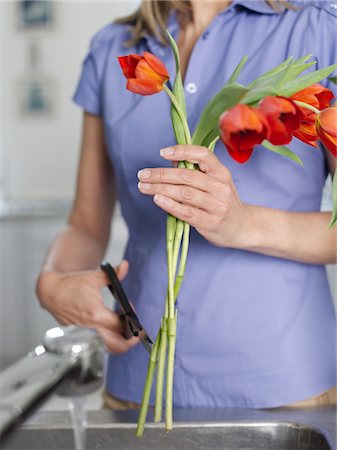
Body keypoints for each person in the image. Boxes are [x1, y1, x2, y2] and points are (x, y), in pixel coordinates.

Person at [37, 0, 337, 410]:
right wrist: (52, 279)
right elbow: (87, 225)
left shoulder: (320, 29)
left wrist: (243, 223)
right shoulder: (111, 49)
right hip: (137, 386)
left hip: (281, 389)